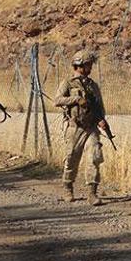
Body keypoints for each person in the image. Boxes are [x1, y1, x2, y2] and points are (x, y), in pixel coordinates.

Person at [54, 50, 108, 206]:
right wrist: (76, 99)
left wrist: (101, 120)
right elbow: (57, 100)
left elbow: (99, 107)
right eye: (87, 64)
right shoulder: (68, 83)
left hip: (91, 127)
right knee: (71, 158)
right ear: (79, 65)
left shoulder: (93, 85)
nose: (90, 67)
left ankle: (92, 193)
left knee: (94, 157)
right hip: (75, 127)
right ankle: (68, 187)